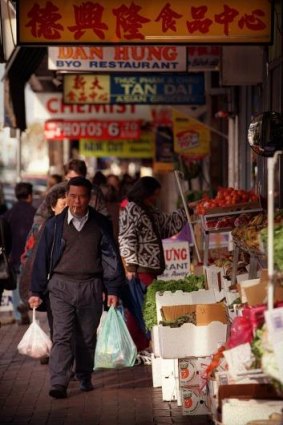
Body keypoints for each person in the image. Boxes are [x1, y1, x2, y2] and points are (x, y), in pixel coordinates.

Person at [28, 177, 125, 399]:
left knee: (87, 337)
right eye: (72, 196)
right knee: (61, 335)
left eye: (81, 196)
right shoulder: (53, 225)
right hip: (60, 287)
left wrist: (112, 290)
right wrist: (35, 291)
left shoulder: (100, 223)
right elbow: (41, 259)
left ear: (89, 198)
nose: (76, 201)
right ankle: (58, 382)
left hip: (91, 286)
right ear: (67, 196)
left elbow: (110, 258)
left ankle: (83, 375)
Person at [118, 176, 188, 357]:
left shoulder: (149, 209)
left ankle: (140, 346)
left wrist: (187, 211)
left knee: (143, 309)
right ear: (144, 193)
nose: (155, 198)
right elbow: (126, 239)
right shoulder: (132, 209)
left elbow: (166, 226)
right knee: (144, 309)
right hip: (140, 270)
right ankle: (142, 345)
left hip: (149, 269)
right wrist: (130, 267)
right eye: (154, 195)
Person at [19, 182, 68, 348]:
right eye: (63, 205)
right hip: (52, 288)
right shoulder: (46, 227)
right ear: (53, 207)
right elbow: (35, 260)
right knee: (58, 329)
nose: (68, 208)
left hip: (71, 288)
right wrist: (35, 290)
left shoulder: (77, 226)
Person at [2, 182, 36, 325]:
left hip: (14, 256)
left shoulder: (9, 213)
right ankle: (26, 305)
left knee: (16, 285)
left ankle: (18, 314)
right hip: (30, 255)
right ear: (29, 195)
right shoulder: (34, 212)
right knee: (29, 283)